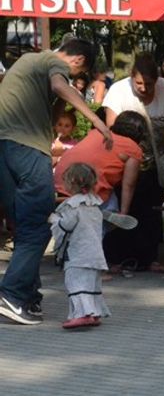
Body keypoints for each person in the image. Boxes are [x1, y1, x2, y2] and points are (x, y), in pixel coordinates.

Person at [0, 38, 112, 326]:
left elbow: (52, 109)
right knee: (38, 227)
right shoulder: (53, 62)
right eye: (76, 74)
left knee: (24, 228)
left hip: (5, 150)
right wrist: (97, 122)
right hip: (27, 149)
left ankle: (27, 297)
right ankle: (11, 294)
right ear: (78, 61)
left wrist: (61, 101)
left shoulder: (27, 62)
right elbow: (59, 85)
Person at [101, 53, 164, 274]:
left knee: (151, 209)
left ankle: (149, 257)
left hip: (155, 160)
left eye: (149, 84)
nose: (144, 88)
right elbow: (111, 128)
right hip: (125, 159)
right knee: (124, 205)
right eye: (139, 83)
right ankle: (117, 257)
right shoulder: (118, 91)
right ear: (131, 77)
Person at [51, 162, 112, 330]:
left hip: (79, 253)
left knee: (76, 284)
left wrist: (55, 220)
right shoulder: (95, 205)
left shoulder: (73, 205)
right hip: (95, 253)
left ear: (72, 182)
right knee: (92, 284)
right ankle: (94, 312)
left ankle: (82, 314)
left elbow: (67, 225)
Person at [54, 110, 147, 220]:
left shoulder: (97, 133)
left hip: (62, 183)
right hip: (87, 192)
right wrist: (124, 213)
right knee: (111, 203)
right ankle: (105, 221)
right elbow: (129, 184)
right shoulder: (133, 149)